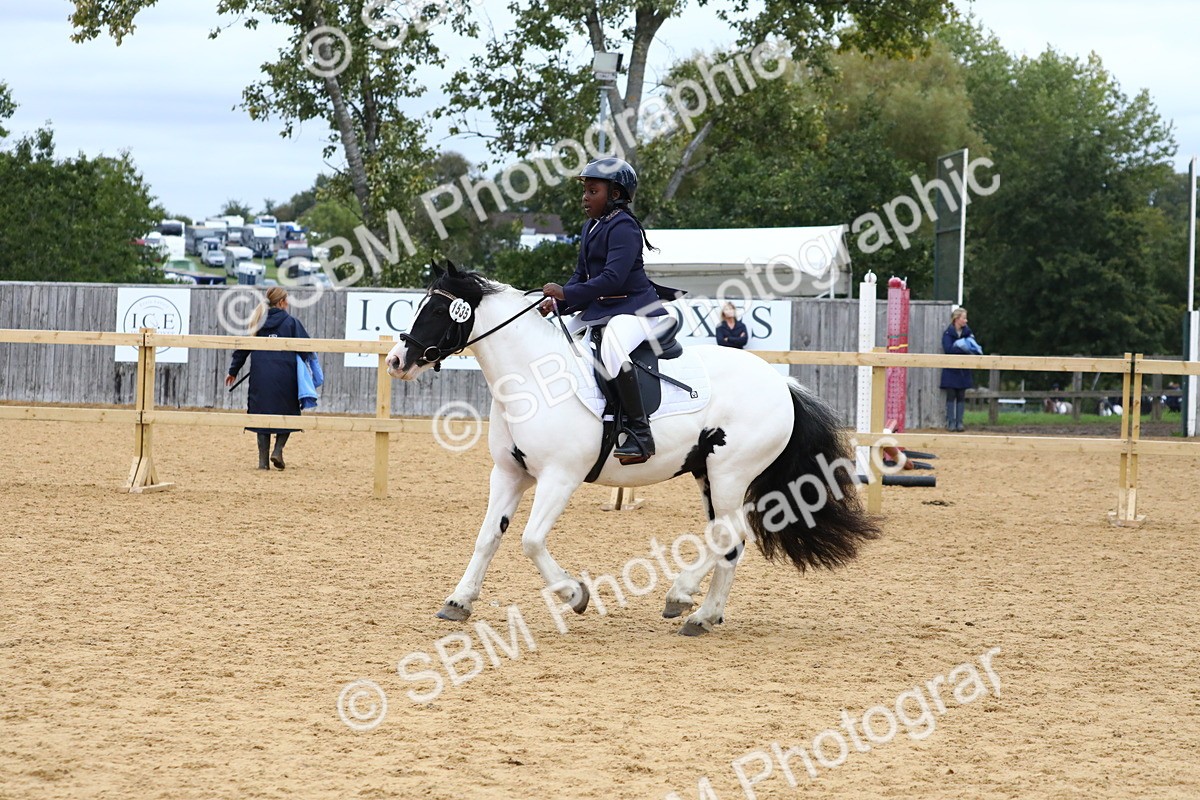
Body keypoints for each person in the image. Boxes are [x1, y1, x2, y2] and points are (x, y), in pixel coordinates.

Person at [540, 156, 683, 465]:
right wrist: (559, 302)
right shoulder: (590, 226)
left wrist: (566, 293)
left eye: (593, 191)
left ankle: (640, 433)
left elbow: (611, 279)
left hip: (636, 310)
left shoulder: (624, 227)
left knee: (613, 350)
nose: (585, 198)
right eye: (585, 191)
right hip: (605, 309)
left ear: (615, 194)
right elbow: (582, 275)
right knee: (564, 348)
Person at [225, 286, 312, 469]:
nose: (287, 304)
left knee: (261, 415)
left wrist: (233, 371)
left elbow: (243, 349)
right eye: (286, 300)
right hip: (285, 377)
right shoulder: (292, 323)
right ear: (280, 302)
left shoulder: (257, 321)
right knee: (288, 414)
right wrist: (310, 370)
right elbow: (306, 348)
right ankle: (278, 450)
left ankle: (262, 462)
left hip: (260, 377)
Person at [940, 306, 977, 432]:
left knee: (961, 395)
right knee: (951, 395)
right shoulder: (948, 333)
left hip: (963, 370)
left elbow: (973, 349)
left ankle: (959, 422)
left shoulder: (968, 333)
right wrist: (962, 347)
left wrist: (963, 347)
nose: (966, 321)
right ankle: (950, 422)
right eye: (964, 318)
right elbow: (948, 349)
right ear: (957, 319)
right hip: (951, 370)